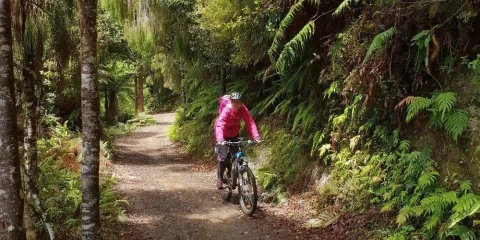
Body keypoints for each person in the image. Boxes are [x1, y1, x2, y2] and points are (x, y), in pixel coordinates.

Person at [214, 92, 262, 189]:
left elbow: (250, 122)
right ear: (231, 102)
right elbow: (220, 124)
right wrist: (220, 139)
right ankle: (220, 178)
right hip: (223, 136)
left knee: (238, 156)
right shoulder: (227, 110)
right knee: (223, 158)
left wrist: (256, 136)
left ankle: (238, 175)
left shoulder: (243, 109)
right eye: (234, 102)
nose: (236, 104)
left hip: (234, 135)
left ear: (241, 102)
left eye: (238, 102)